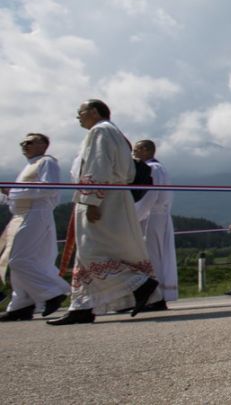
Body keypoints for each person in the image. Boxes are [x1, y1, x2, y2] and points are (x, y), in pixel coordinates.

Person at [48, 100, 160, 325]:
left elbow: (97, 166)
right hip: (112, 196)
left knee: (92, 251)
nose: (77, 117)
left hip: (104, 199)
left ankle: (139, 284)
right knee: (91, 251)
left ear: (95, 112)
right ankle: (82, 306)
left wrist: (91, 200)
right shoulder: (112, 132)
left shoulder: (100, 131)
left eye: (80, 112)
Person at [0, 134, 70, 321]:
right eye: (22, 143)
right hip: (22, 215)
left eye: (30, 142)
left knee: (18, 260)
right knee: (26, 260)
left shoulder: (47, 162)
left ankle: (52, 292)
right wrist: (8, 194)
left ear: (44, 145)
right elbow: (17, 196)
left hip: (36, 213)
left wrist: (12, 190)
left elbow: (49, 188)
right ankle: (21, 304)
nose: (24, 145)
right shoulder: (28, 166)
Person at [132, 140, 177, 310]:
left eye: (136, 150)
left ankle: (155, 297)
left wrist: (134, 215)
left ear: (145, 150)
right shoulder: (159, 168)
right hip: (158, 216)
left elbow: (150, 195)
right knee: (155, 255)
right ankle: (156, 296)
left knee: (151, 256)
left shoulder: (152, 169)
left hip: (151, 216)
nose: (134, 153)